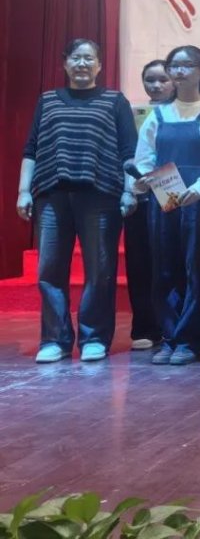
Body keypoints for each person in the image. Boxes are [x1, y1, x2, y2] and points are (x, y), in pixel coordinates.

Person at [17, 39, 137, 363]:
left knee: (100, 269)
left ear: (99, 65)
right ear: (65, 63)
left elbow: (129, 151)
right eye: (76, 58)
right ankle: (54, 340)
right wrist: (23, 191)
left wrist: (129, 190)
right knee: (49, 270)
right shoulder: (48, 100)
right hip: (51, 194)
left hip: (101, 194)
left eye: (88, 58)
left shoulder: (115, 101)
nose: (82, 64)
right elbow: (31, 149)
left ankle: (94, 337)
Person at [134, 46, 200, 365]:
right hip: (164, 198)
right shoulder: (158, 115)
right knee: (164, 269)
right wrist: (145, 178)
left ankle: (190, 341)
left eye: (188, 65)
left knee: (197, 270)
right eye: (174, 66)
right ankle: (169, 337)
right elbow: (144, 157)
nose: (180, 71)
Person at [123, 59, 173, 351]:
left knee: (171, 263)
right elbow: (125, 155)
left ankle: (173, 326)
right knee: (140, 264)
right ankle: (144, 327)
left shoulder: (184, 112)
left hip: (173, 193)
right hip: (139, 196)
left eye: (162, 79)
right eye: (149, 80)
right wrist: (128, 191)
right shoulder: (131, 115)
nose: (156, 85)